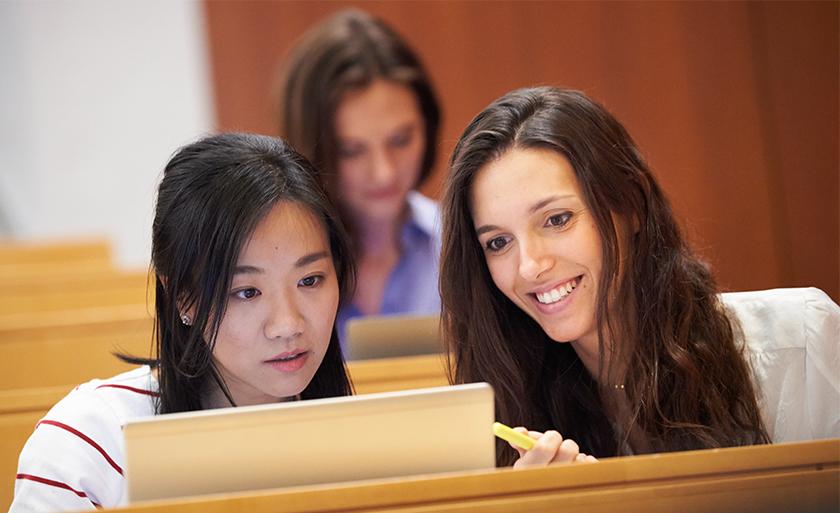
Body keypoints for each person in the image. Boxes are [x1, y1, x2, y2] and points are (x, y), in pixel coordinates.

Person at [439, 86, 840, 467]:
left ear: (632, 204)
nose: (529, 266)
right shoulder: (509, 412)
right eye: (498, 243)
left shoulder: (800, 339)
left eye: (557, 219)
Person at [11, 133, 356, 511]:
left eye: (310, 280)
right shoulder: (92, 443)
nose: (287, 324)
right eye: (246, 292)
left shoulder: (370, 438)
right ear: (182, 298)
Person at [277, 9, 441, 349]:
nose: (384, 172)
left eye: (400, 140)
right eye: (352, 150)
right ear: (310, 147)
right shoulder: (271, 266)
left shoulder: (462, 241)